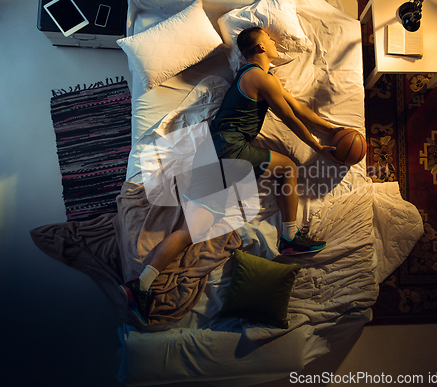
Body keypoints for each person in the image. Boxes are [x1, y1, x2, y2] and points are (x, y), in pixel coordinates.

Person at [120, 27, 343, 326]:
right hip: (230, 147)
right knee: (288, 167)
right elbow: (289, 118)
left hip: (212, 151)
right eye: (271, 39)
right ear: (261, 47)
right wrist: (319, 148)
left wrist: (331, 130)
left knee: (191, 230)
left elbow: (298, 108)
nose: (276, 43)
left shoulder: (258, 77)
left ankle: (140, 285)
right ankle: (289, 237)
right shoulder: (257, 77)